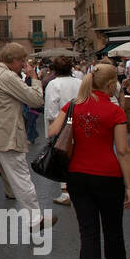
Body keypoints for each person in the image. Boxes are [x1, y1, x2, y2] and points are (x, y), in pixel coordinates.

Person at [46, 64, 130, 259]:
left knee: (88, 229)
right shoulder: (115, 111)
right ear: (110, 85)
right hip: (109, 175)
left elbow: (52, 132)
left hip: (78, 175)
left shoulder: (74, 105)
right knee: (113, 227)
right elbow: (123, 151)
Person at [0, 42, 56, 238]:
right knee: (21, 178)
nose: (23, 65)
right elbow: (35, 100)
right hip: (6, 136)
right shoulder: (7, 77)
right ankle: (35, 220)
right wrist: (34, 79)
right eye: (22, 61)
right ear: (14, 60)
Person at [45, 56, 82, 206]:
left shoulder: (54, 84)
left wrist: (52, 129)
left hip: (61, 125)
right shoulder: (80, 82)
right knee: (77, 156)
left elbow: (51, 109)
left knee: (62, 158)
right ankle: (78, 188)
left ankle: (66, 192)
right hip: (79, 124)